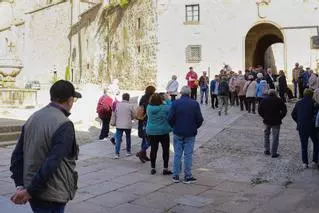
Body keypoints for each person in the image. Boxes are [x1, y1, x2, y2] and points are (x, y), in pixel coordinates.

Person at [10, 80, 81, 213]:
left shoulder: (33, 117)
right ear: (70, 100)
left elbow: (16, 156)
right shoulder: (64, 124)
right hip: (52, 193)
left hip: (31, 189)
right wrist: (30, 191)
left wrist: (21, 186)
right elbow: (52, 162)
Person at [168, 86, 204, 184]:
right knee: (188, 155)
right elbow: (200, 119)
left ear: (181, 92)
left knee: (177, 154)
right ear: (189, 93)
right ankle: (187, 176)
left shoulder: (175, 103)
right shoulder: (194, 103)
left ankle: (175, 175)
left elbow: (170, 118)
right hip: (190, 132)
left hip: (178, 131)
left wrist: (174, 126)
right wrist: (194, 127)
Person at [291, 89, 319, 169]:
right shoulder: (314, 103)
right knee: (316, 143)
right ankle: (314, 161)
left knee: (304, 145)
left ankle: (305, 163)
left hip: (301, 127)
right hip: (312, 127)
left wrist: (298, 121)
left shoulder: (299, 103)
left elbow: (293, 114)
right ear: (311, 95)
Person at [146, 93, 172, 175]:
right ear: (161, 100)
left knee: (153, 149)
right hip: (163, 131)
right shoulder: (164, 107)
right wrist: (167, 100)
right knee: (165, 150)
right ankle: (165, 168)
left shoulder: (149, 107)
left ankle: (153, 168)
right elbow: (171, 107)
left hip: (151, 131)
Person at [258, 89, 287, 158]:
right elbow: (284, 110)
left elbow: (259, 110)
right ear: (275, 93)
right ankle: (274, 153)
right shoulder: (279, 100)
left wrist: (264, 116)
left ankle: (267, 150)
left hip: (267, 121)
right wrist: (280, 117)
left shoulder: (264, 100)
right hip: (276, 121)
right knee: (275, 137)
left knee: (266, 135)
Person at [136, 86, 156, 163]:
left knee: (145, 138)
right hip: (147, 120)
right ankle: (141, 152)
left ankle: (143, 154)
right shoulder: (150, 99)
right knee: (150, 140)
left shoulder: (143, 97)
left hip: (142, 120)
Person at [113, 93, 135, 159]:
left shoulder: (118, 105)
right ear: (128, 98)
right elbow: (134, 115)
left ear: (122, 98)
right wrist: (131, 118)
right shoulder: (130, 105)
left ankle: (117, 153)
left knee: (118, 139)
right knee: (128, 138)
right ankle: (128, 152)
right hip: (127, 124)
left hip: (119, 124)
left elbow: (115, 113)